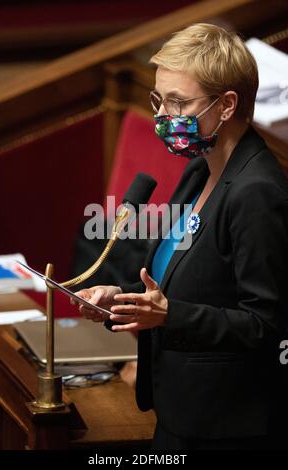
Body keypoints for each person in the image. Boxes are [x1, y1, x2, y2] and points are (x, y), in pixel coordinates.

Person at [74, 24, 288, 450]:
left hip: (228, 427)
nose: (163, 116)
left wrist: (170, 315)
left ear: (227, 105)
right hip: (179, 409)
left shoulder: (258, 193)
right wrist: (120, 298)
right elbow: (179, 286)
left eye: (178, 102)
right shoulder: (199, 170)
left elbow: (268, 326)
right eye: (160, 100)